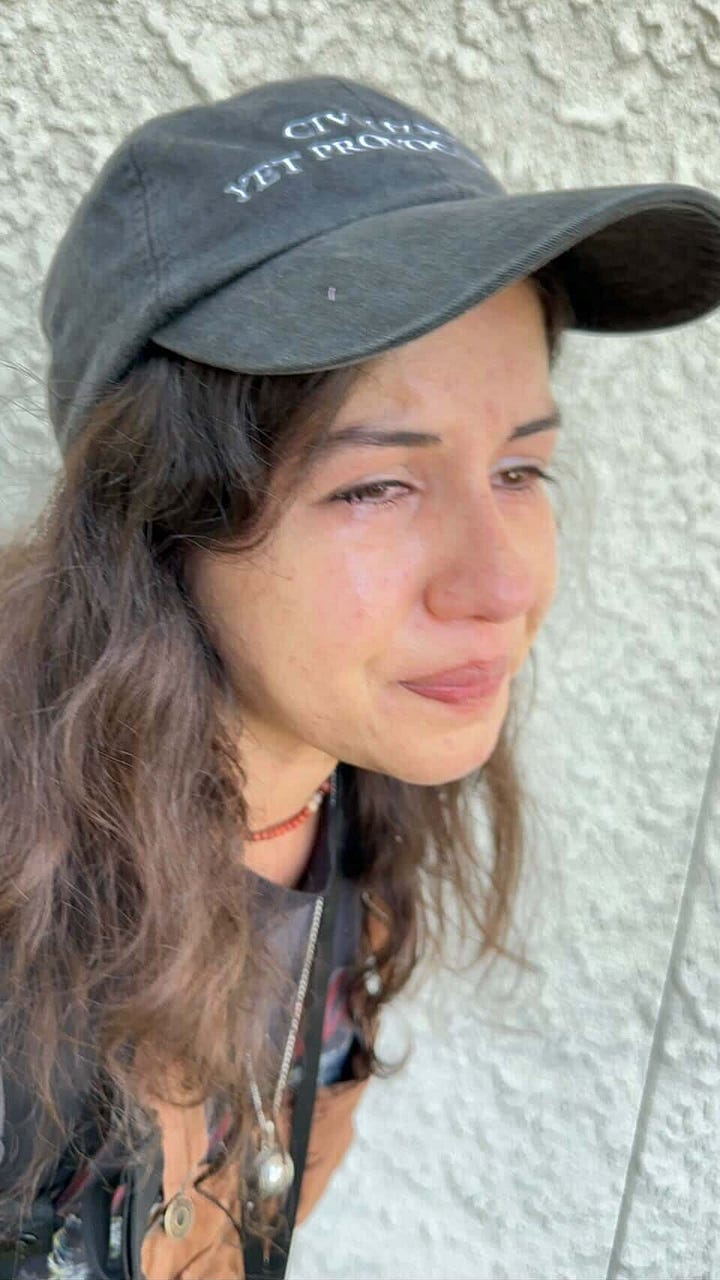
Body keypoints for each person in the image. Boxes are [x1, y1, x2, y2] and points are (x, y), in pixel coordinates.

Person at [1, 73, 719, 1280]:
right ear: (158, 509)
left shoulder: (353, 836)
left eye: (520, 471)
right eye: (377, 484)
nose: (501, 584)